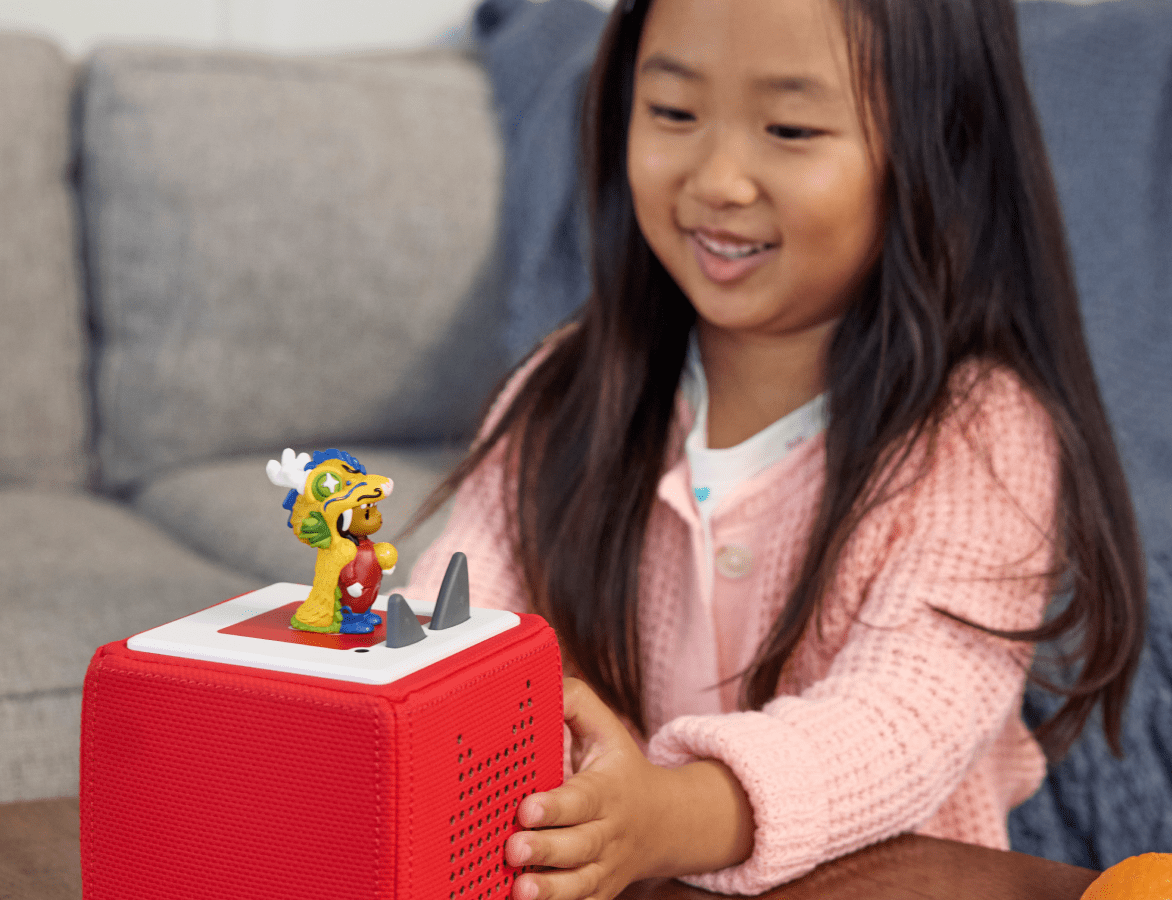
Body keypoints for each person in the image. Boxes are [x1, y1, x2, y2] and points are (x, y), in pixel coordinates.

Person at [403, 0, 1147, 897]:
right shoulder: (565, 391)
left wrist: (673, 814)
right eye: (673, 113)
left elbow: (901, 717)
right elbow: (461, 627)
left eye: (789, 128)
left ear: (935, 149)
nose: (718, 179)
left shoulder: (979, 434)